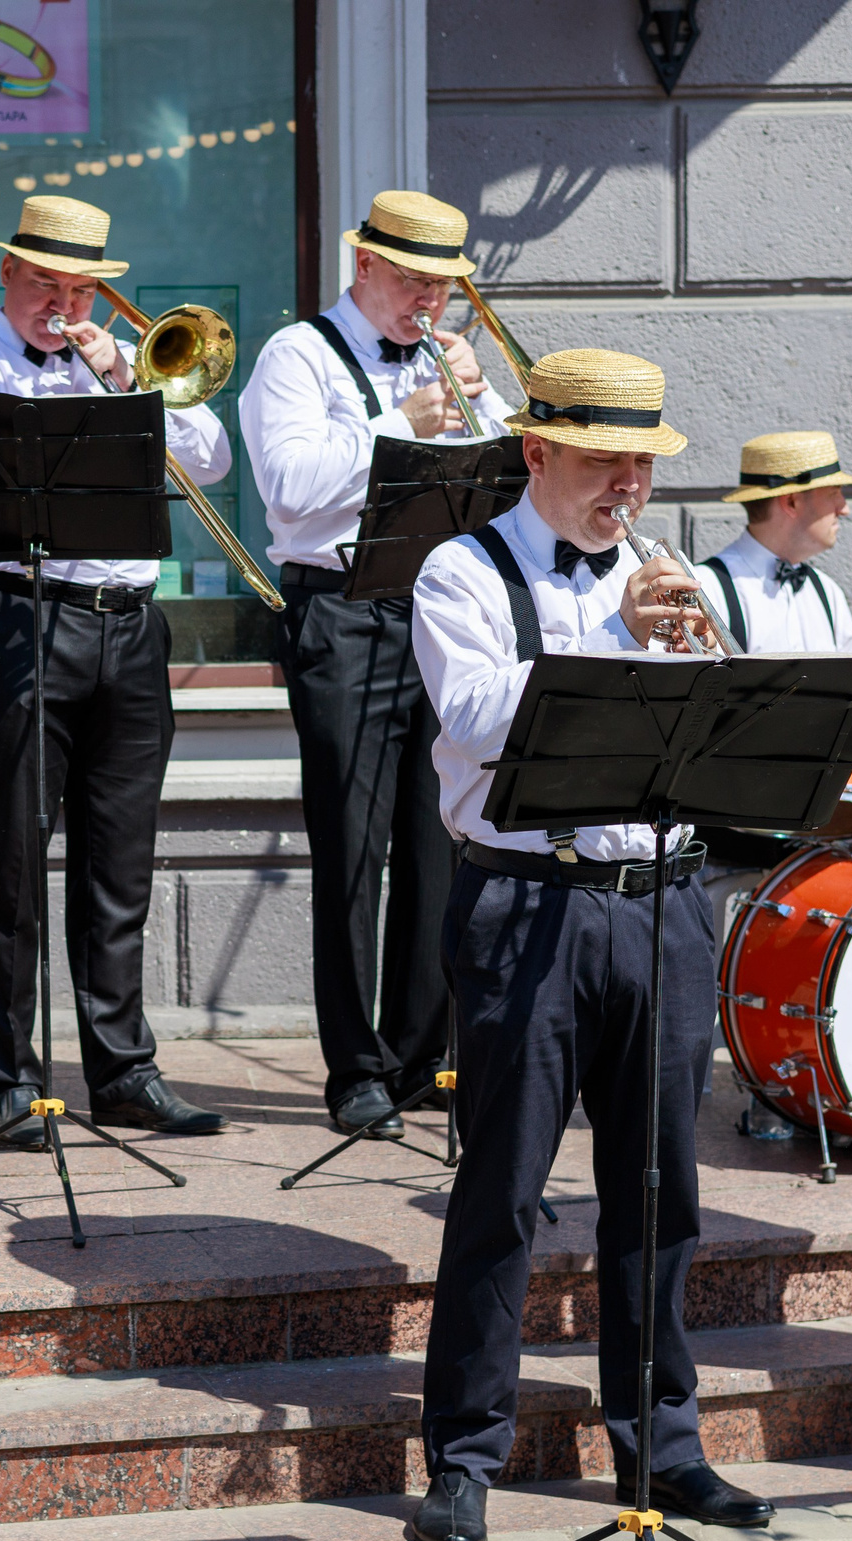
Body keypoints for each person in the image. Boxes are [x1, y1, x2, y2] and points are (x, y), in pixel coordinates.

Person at [407, 347, 776, 1541]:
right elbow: (470, 716)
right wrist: (614, 637)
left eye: (642, 463)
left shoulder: (661, 573)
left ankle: (661, 1447)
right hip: (527, 906)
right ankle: (463, 1457)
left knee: (660, 1194)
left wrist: (707, 676)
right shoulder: (460, 571)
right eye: (606, 459)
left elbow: (718, 748)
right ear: (535, 453)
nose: (628, 483)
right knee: (503, 1190)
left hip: (662, 906)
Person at [0, 194, 234, 1140]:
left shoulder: (124, 367)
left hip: (131, 627)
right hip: (24, 617)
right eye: (44, 280)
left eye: (80, 285)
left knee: (119, 864)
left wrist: (127, 384)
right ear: (7, 274)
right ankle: (8, 1083)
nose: (62, 300)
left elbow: (209, 462)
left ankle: (124, 1070)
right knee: (13, 858)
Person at [238, 189, 510, 1138]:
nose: (429, 302)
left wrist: (481, 407)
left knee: (440, 838)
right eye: (412, 281)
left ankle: (418, 1057)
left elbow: (513, 481)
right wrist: (404, 426)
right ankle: (353, 1068)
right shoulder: (298, 355)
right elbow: (290, 488)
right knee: (352, 848)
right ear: (363, 266)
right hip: (342, 609)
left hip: (441, 610)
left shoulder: (448, 361)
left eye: (442, 285)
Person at [690, 430, 852, 1142]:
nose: (845, 508)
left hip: (813, 811)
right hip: (731, 817)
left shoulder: (828, 591)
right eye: (834, 493)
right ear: (792, 500)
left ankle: (818, 1072)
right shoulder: (707, 584)